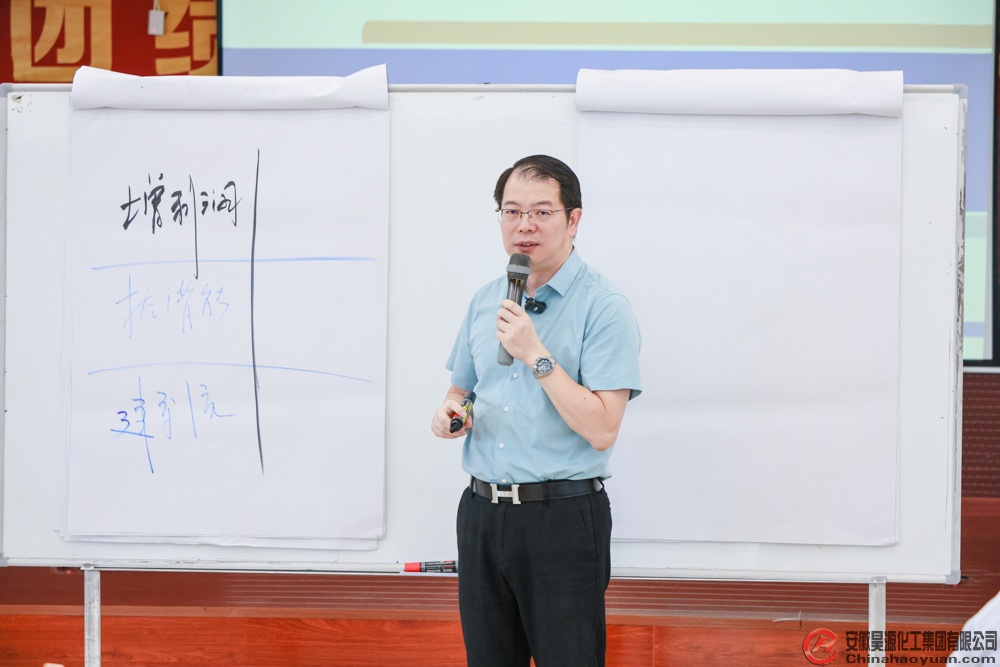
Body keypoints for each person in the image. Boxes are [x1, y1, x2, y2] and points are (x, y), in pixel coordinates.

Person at [431, 155, 642, 666]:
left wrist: (535, 354)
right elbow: (462, 392)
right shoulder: (487, 300)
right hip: (482, 516)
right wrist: (452, 414)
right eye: (512, 211)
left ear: (573, 219)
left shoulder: (604, 306)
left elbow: (602, 429)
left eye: (541, 212)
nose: (524, 225)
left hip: (561, 520)